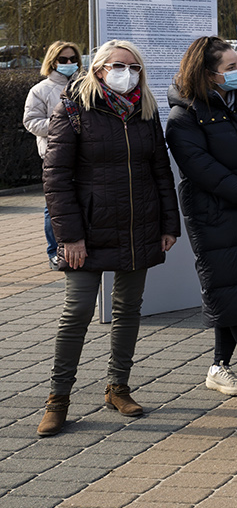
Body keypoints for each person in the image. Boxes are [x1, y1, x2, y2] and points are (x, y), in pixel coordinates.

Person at [39, 40, 180, 437]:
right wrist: (70, 237)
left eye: (134, 67)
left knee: (128, 309)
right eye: (119, 66)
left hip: (138, 226)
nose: (127, 73)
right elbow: (56, 178)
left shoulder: (145, 109)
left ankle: (118, 387)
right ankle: (58, 399)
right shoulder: (74, 108)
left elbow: (160, 170)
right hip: (88, 230)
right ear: (99, 69)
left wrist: (169, 224)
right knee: (77, 312)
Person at [166, 37, 237, 401]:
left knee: (235, 292)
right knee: (233, 289)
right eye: (231, 67)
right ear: (207, 73)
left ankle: (218, 367)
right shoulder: (183, 116)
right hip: (214, 217)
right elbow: (200, 167)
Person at [25, 41, 82, 267]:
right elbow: (31, 121)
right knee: (54, 205)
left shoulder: (85, 85)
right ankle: (54, 251)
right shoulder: (40, 90)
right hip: (55, 154)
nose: (69, 63)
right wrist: (60, 124)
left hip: (84, 152)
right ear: (53, 62)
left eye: (73, 59)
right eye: (63, 59)